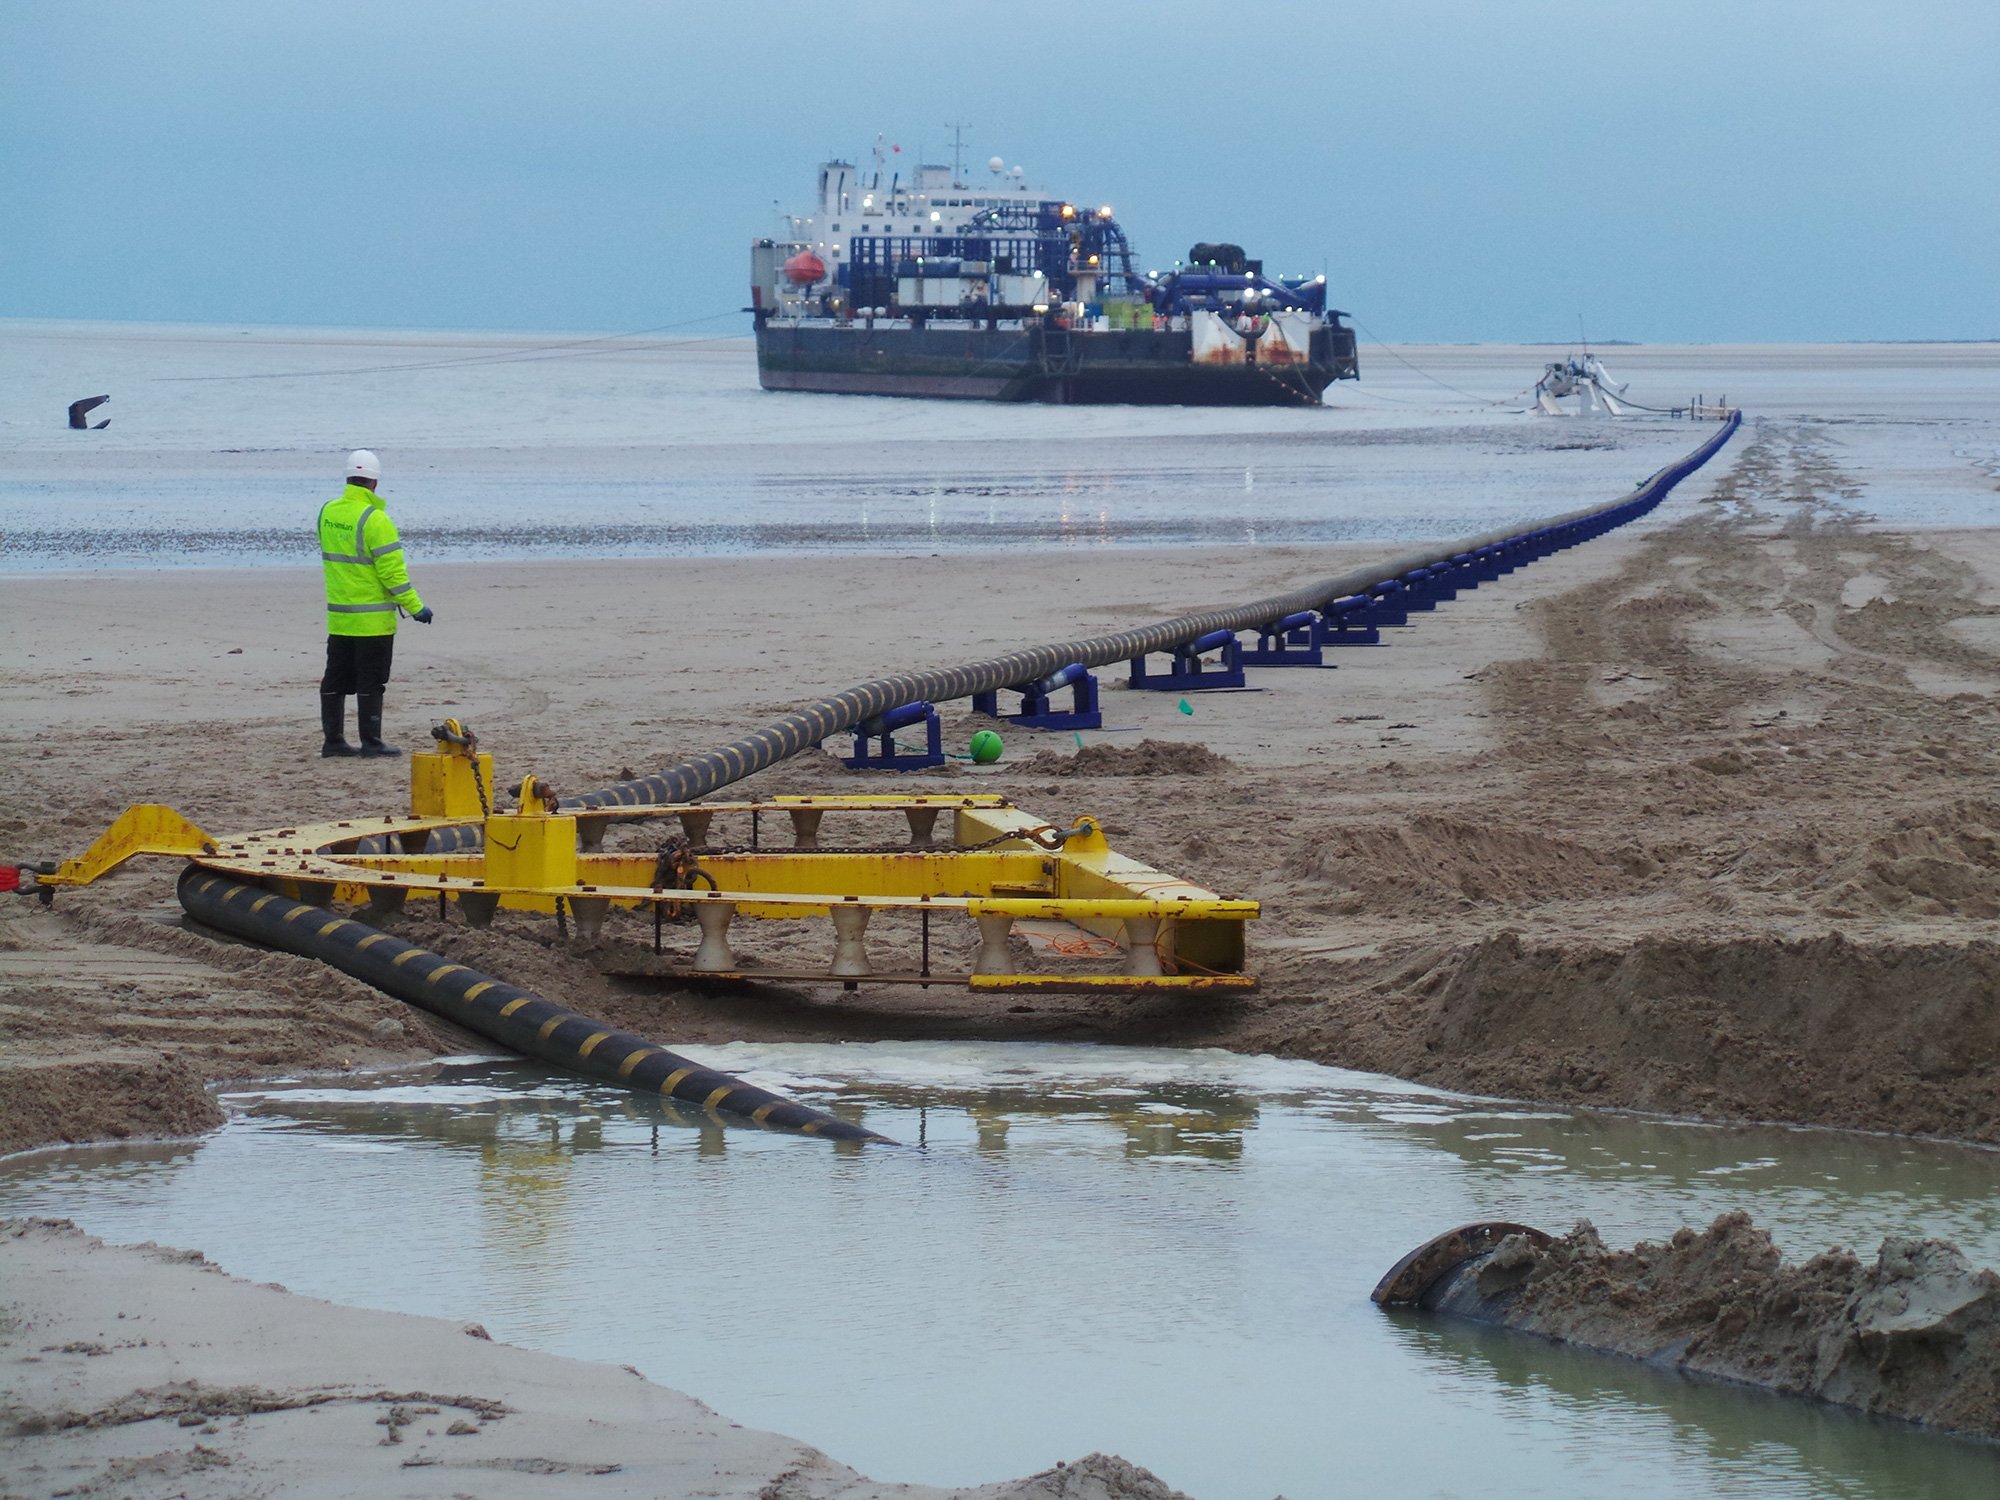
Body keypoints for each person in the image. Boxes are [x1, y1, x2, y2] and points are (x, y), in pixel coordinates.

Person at [316, 449, 432, 758]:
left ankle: (334, 741)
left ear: (348, 477)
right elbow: (393, 575)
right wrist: (416, 607)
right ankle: (371, 742)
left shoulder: (327, 513)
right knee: (372, 681)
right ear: (375, 483)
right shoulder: (376, 520)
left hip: (340, 618)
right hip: (373, 622)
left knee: (335, 679)